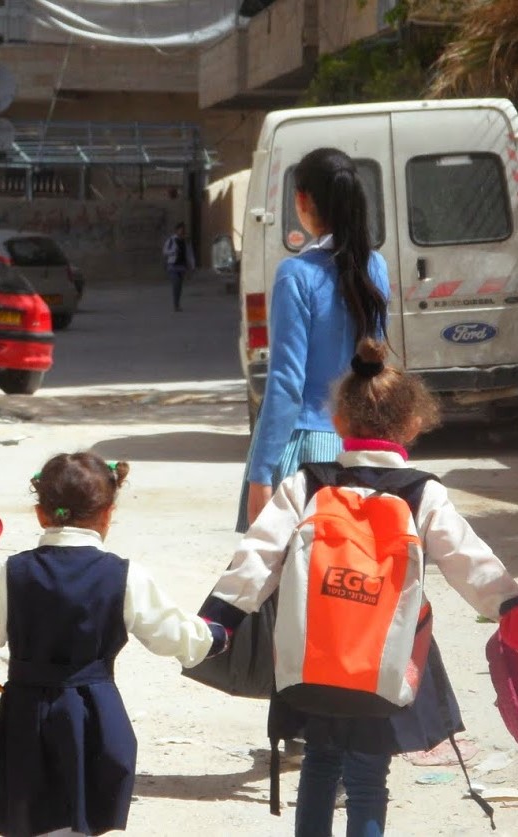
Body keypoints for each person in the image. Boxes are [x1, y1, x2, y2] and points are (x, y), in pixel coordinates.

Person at [204, 338, 518, 837]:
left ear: (338, 423)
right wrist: (509, 605)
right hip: (383, 668)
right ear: (414, 425)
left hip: (309, 665)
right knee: (369, 780)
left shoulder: (305, 485)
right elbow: (469, 561)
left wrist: (218, 622)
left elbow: (257, 557)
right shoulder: (421, 492)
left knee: (319, 767)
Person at [0, 453, 228, 837]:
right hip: (93, 714)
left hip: (26, 715)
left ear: (41, 514)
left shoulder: (12, 571)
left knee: (31, 820)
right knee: (78, 822)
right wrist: (211, 638)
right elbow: (170, 634)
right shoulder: (123, 574)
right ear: (108, 514)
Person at [238, 147, 390, 532]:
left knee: (290, 578)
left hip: (304, 450)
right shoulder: (376, 266)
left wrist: (260, 472)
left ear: (302, 201)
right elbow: (378, 363)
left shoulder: (296, 274)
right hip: (360, 449)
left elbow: (287, 385)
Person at [161, 222, 194, 312]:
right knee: (176, 284)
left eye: (183, 229)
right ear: (176, 230)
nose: (181, 231)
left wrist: (192, 265)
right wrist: (173, 251)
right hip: (173, 265)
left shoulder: (186, 241)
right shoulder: (171, 240)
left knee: (179, 286)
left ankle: (177, 303)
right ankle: (176, 305)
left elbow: (190, 253)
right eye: (180, 229)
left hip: (182, 266)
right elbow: (165, 251)